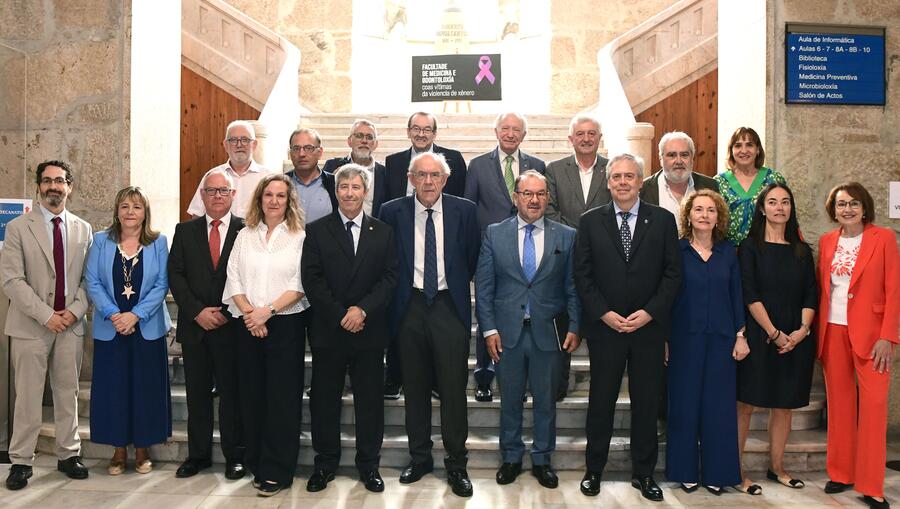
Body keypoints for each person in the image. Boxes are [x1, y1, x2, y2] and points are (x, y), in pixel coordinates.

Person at [574, 153, 681, 501]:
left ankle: (644, 473)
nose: (622, 182)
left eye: (629, 176)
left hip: (647, 329)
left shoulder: (663, 220)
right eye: (616, 176)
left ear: (640, 181)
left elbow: (672, 274)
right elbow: (583, 275)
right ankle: (594, 470)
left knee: (646, 403)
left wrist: (650, 313)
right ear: (608, 182)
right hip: (606, 329)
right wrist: (603, 313)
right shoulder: (590, 221)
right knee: (601, 400)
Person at [379, 152, 480, 498]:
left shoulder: (465, 211)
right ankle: (419, 457)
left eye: (434, 175)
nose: (428, 182)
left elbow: (471, 257)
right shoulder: (392, 212)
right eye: (421, 175)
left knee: (453, 389)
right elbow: (386, 260)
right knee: (415, 388)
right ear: (410, 178)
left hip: (449, 307)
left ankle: (457, 463)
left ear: (445, 179)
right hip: (409, 308)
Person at [474, 170, 579, 489]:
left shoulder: (566, 235)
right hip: (507, 333)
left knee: (547, 399)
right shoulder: (494, 233)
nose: (534, 200)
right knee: (510, 399)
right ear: (516, 197)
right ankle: (511, 457)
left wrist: (575, 325)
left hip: (549, 331)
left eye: (540, 194)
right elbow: (485, 285)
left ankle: (543, 459)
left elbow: (573, 286)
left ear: (547, 198)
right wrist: (489, 329)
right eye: (527, 193)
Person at [301, 165, 398, 493]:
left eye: (356, 187)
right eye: (344, 186)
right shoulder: (316, 231)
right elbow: (312, 280)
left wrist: (362, 311)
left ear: (365, 191)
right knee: (324, 401)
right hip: (329, 330)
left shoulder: (383, 231)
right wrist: (342, 314)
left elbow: (389, 278)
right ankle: (325, 463)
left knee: (370, 402)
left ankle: (369, 465)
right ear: (336, 191)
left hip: (368, 331)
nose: (350, 193)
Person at [1, 161, 93, 490]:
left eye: (60, 181)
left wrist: (74, 311)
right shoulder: (17, 228)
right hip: (30, 325)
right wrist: (46, 315)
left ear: (70, 186)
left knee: (67, 392)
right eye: (47, 181)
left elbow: (88, 280)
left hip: (70, 324)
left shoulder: (84, 229)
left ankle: (69, 454)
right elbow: (11, 281)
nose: (53, 186)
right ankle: (21, 461)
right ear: (38, 186)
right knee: (27, 396)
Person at [222, 173, 308, 496]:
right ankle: (257, 463)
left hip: (285, 324)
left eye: (280, 196)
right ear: (259, 199)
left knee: (282, 400)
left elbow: (299, 284)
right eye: (268, 195)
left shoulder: (300, 236)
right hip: (248, 325)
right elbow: (233, 279)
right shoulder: (245, 235)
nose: (274, 200)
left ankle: (278, 469)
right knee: (252, 397)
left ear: (289, 201)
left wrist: (266, 311)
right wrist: (250, 313)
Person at [816, 183, 898, 509]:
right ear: (833, 210)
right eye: (840, 204)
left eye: (853, 203)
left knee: (874, 409)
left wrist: (887, 336)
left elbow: (894, 289)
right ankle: (841, 472)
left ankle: (871, 485)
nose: (847, 209)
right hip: (833, 330)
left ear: (865, 207)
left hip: (873, 335)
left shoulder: (884, 239)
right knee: (839, 406)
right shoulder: (827, 242)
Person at [736, 183, 816, 495]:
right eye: (772, 202)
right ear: (762, 208)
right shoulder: (749, 247)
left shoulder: (802, 250)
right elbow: (749, 293)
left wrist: (801, 331)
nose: (779, 207)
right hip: (760, 333)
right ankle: (737, 470)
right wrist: (773, 332)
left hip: (796, 338)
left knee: (784, 405)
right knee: (745, 404)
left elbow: (812, 292)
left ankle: (777, 467)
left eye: (785, 202)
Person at [85, 186, 172, 476]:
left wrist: (135, 315)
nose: (130, 212)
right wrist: (114, 315)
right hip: (110, 328)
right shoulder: (100, 241)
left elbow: (162, 284)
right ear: (116, 211)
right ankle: (118, 450)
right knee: (113, 390)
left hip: (147, 327)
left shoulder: (158, 242)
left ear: (145, 212)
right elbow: (92, 281)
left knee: (147, 388)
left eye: (136, 207)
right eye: (124, 206)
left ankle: (144, 449)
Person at [666, 189, 745, 495]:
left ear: (718, 216)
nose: (704, 215)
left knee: (719, 408)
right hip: (684, 339)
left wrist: (741, 335)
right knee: (684, 407)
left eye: (710, 210)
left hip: (723, 341)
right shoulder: (677, 251)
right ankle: (684, 470)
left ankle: (718, 472)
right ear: (688, 215)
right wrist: (664, 339)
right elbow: (668, 298)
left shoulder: (729, 252)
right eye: (698, 209)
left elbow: (737, 294)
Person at [168, 169, 246, 480]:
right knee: (196, 395)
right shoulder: (185, 231)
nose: (216, 196)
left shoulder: (246, 230)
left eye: (222, 191)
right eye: (211, 191)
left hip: (232, 326)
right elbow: (176, 275)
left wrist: (226, 312)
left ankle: (235, 456)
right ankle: (197, 456)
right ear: (202, 195)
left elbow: (247, 276)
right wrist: (198, 311)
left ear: (233, 195)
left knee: (232, 395)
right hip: (195, 327)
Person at [464, 112, 546, 403]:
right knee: (487, 311)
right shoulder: (477, 165)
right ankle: (484, 377)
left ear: (524, 135)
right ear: (496, 131)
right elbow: (469, 213)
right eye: (505, 129)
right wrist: (474, 258)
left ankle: (518, 381)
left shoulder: (536, 165)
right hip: (492, 252)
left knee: (519, 317)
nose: (510, 134)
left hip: (527, 255)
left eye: (516, 130)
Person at [187, 120, 276, 218]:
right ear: (225, 145)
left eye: (245, 140)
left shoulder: (268, 178)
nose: (239, 145)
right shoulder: (212, 176)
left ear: (254, 144)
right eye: (233, 140)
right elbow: (197, 214)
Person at [713, 127, 786, 246]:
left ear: (758, 149)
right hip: (728, 251)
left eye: (749, 145)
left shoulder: (773, 178)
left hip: (765, 249)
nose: (743, 150)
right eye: (738, 145)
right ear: (731, 150)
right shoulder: (718, 182)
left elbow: (788, 213)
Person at [640, 131, 719, 229]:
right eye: (672, 155)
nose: (679, 161)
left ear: (692, 158)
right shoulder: (643, 190)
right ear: (661, 159)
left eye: (684, 155)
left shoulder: (711, 186)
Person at [545, 114, 611, 228]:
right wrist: (571, 233)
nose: (586, 139)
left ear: (599, 137)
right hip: (565, 240)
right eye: (580, 134)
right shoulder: (555, 170)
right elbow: (548, 209)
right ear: (571, 139)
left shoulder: (612, 168)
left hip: (603, 240)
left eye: (591, 133)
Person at [384, 111, 467, 200]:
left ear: (434, 134)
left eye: (427, 130)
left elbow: (461, 197)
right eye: (416, 129)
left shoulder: (454, 159)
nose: (421, 134)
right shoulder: (393, 162)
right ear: (408, 132)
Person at [322, 119, 389, 217]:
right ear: (349, 141)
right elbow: (322, 199)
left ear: (375, 144)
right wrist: (332, 180)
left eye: (369, 137)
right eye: (359, 136)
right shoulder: (333, 166)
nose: (364, 141)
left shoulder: (385, 173)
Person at [285, 128, 338, 223]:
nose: (301, 154)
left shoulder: (334, 184)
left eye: (308, 148)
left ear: (320, 152)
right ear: (290, 153)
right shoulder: (281, 183)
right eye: (296, 149)